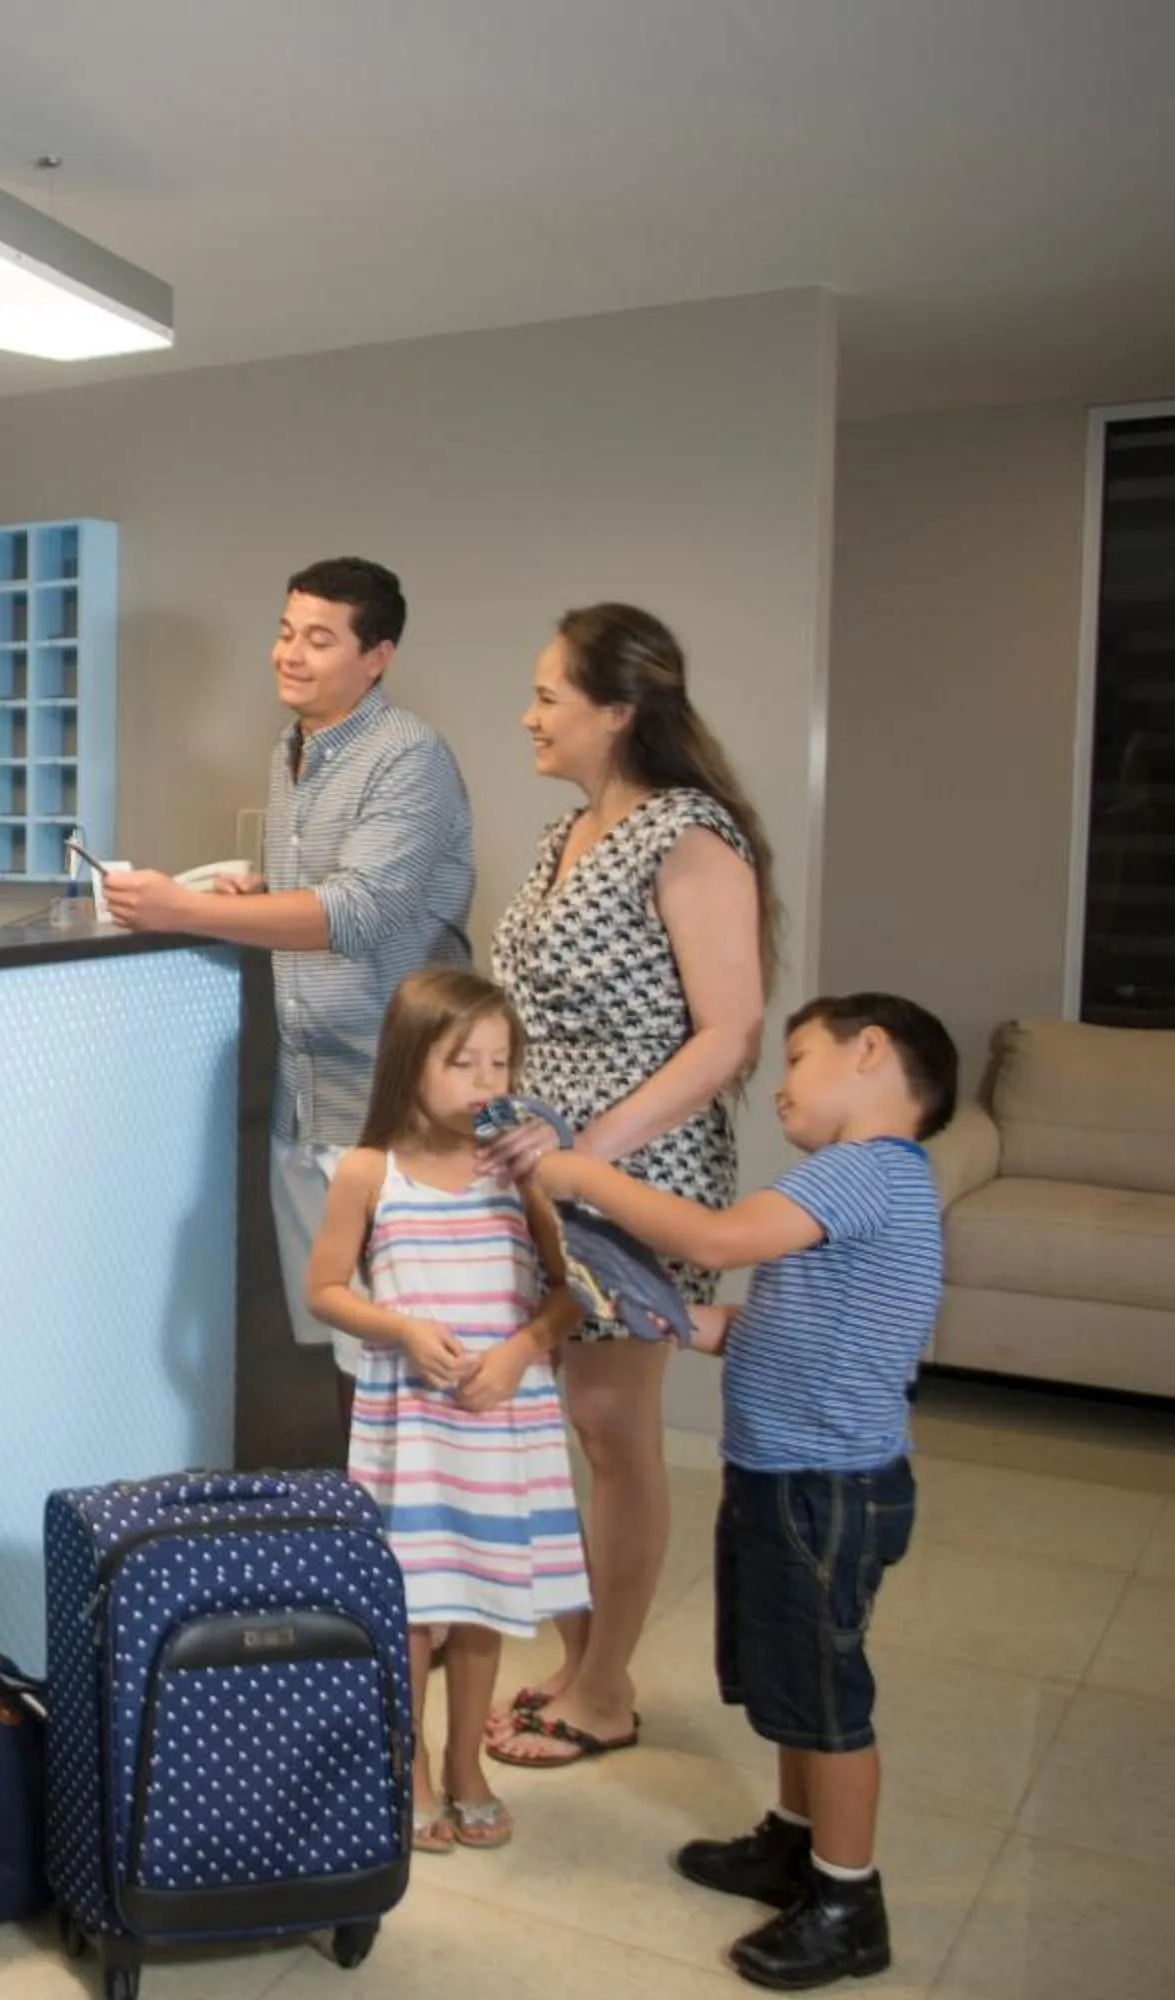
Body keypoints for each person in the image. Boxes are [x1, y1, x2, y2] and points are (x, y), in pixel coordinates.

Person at [524, 994, 954, 1990]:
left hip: (824, 1485)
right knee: (790, 1679)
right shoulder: (867, 1183)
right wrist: (692, 1321)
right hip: (789, 1473)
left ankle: (848, 1900)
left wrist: (584, 1171)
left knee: (827, 1696)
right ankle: (795, 1841)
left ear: (873, 1051)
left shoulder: (864, 1168)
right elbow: (786, 1315)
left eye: (800, 1059)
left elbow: (718, 1239)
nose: (784, 1084)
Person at [478, 603, 775, 1771]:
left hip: (630, 1165)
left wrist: (592, 1150)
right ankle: (581, 1658)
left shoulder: (689, 833)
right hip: (543, 1167)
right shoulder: (570, 832)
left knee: (613, 1427)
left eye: (550, 694)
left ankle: (604, 1688)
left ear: (620, 709)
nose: (530, 714)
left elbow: (730, 1030)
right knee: (572, 1421)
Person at [103, 558, 475, 1425]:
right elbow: (324, 887)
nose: (290, 655)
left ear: (376, 656)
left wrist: (183, 908)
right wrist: (259, 889)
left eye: (318, 638)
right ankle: (358, 1537)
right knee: (344, 1345)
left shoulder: (407, 753)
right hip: (307, 1096)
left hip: (389, 1100)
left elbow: (360, 910)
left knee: (405, 1350)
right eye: (284, 631)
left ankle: (405, 1548)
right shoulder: (294, 748)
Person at [305, 968, 587, 1856]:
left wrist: (520, 1351)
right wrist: (401, 1328)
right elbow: (323, 1291)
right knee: (414, 1607)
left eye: (501, 1064)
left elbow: (573, 1290)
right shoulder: (367, 1171)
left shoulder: (522, 1172)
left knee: (482, 1604)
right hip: (412, 1429)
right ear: (408, 1063)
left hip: (503, 1421)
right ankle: (410, 1767)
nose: (488, 1084)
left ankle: (468, 1765)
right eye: (464, 1063)